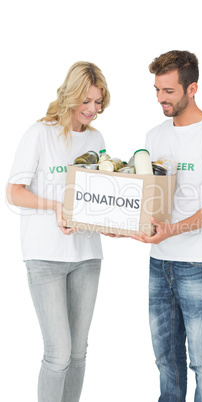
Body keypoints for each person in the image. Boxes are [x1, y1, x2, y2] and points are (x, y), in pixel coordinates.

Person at [132, 51, 202, 402]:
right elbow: (147, 198)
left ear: (192, 88)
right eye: (157, 90)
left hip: (199, 264)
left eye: (169, 91)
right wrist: (121, 225)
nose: (161, 98)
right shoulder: (153, 136)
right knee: (166, 360)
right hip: (159, 262)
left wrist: (173, 231)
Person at [6, 61, 110, 402]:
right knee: (58, 352)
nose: (93, 109)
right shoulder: (39, 133)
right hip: (44, 257)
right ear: (70, 96)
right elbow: (13, 191)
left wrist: (112, 221)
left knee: (78, 352)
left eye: (99, 102)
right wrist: (55, 206)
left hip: (87, 256)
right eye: (87, 101)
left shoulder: (96, 139)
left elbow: (100, 193)